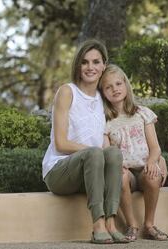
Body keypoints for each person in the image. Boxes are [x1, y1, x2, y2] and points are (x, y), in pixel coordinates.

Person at [42, 39, 128, 244]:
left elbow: (110, 136)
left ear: (103, 65)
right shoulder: (67, 91)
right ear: (77, 65)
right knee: (96, 152)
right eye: (85, 62)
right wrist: (94, 152)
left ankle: (111, 223)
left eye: (96, 62)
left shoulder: (102, 97)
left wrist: (153, 157)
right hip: (59, 171)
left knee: (114, 153)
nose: (90, 67)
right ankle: (97, 225)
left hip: (92, 171)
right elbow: (61, 143)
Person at [99, 64, 168, 241]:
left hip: (145, 168)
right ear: (103, 92)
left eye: (118, 84)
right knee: (120, 176)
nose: (115, 89)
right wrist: (115, 165)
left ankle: (149, 225)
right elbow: (106, 150)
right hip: (126, 172)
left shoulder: (143, 114)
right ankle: (132, 225)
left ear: (126, 85)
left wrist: (153, 161)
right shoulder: (104, 121)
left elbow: (155, 148)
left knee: (153, 175)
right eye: (108, 87)